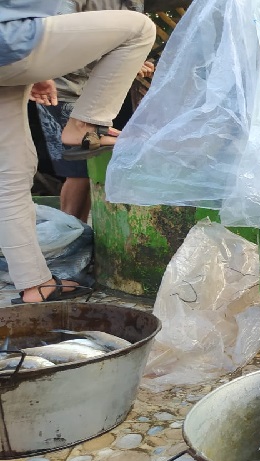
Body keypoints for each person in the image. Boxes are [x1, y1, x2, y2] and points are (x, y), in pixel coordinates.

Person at [0, 4, 156, 304]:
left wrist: (42, 67)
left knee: (11, 172)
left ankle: (36, 286)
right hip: (12, 39)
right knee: (139, 28)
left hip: (12, 51)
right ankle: (84, 125)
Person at [36, 0, 154, 223]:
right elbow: (59, 36)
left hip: (96, 96)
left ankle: (78, 232)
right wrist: (116, 59)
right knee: (78, 170)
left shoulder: (135, 3)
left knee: (90, 167)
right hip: (60, 88)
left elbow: (123, 44)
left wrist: (133, 61)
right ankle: (70, 232)